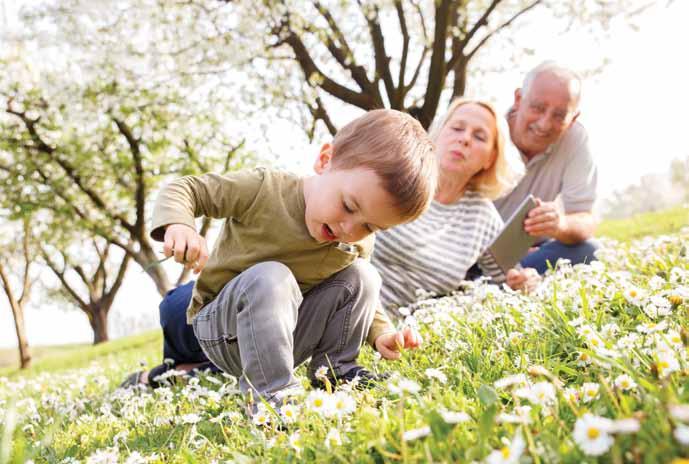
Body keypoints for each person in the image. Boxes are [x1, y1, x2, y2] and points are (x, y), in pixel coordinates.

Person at [120, 109, 438, 410]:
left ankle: (336, 372)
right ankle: (274, 400)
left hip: (284, 335)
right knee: (273, 276)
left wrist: (381, 333)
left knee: (363, 275)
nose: (350, 228)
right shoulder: (264, 190)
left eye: (370, 226)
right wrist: (180, 225)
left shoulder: (355, 242)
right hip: (222, 327)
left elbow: (358, 296)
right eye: (349, 206)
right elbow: (187, 189)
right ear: (326, 160)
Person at [371, 98, 539, 314]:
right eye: (457, 128)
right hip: (346, 305)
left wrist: (524, 283)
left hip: (404, 339)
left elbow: (511, 281)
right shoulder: (396, 176)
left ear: (490, 158)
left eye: (479, 136)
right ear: (438, 134)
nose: (465, 139)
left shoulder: (482, 217)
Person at [494, 61, 598, 274]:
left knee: (589, 251)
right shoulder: (487, 131)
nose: (544, 124)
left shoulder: (576, 140)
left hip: (529, 255)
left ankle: (508, 281)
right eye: (538, 108)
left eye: (559, 115)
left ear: (573, 118)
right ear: (518, 99)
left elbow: (585, 218)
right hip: (467, 253)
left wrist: (559, 225)